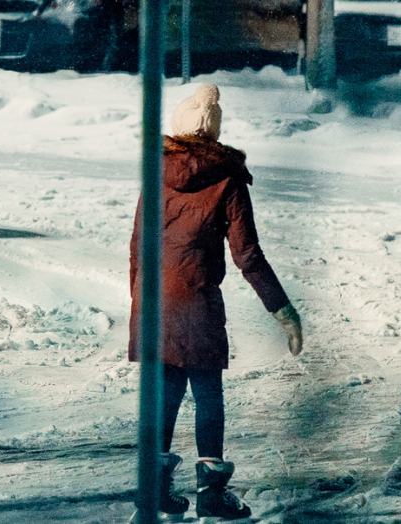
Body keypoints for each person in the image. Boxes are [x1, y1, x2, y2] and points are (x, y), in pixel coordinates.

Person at [127, 83, 304, 520]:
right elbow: (248, 255)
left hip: (154, 301)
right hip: (197, 299)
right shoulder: (227, 178)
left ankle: (155, 491)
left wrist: (141, 304)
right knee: (207, 391)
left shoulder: (156, 172)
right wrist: (282, 309)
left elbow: (137, 247)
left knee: (166, 389)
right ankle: (210, 494)